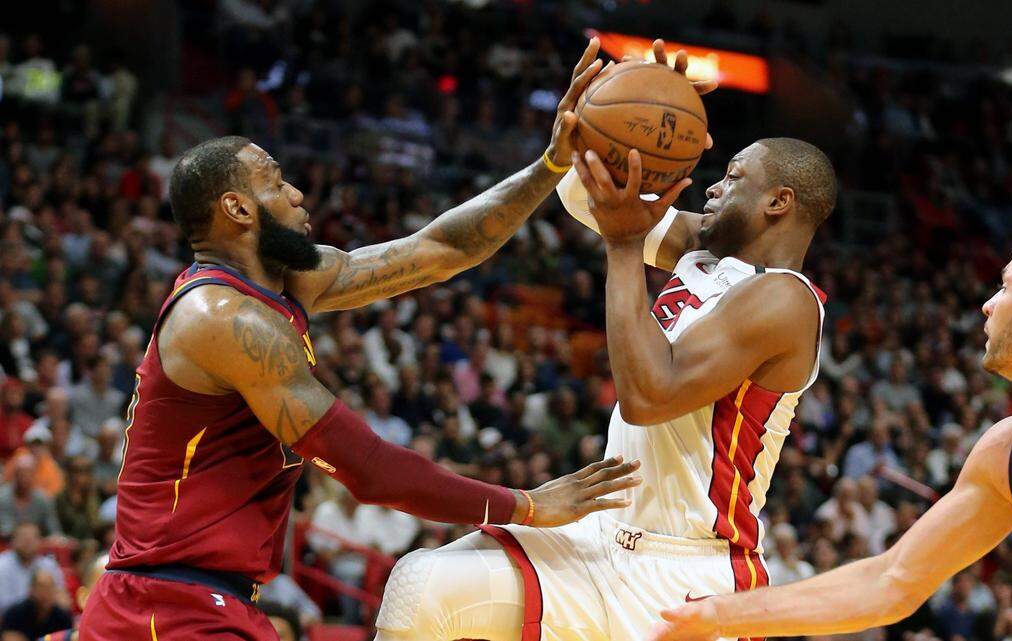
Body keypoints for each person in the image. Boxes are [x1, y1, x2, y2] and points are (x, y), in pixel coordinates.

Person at [79, 38, 641, 641]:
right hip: (163, 607)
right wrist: (527, 506)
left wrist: (550, 164)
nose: (296, 194)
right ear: (238, 210)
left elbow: (440, 250)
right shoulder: (223, 319)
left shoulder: (288, 282)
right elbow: (368, 470)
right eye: (275, 183)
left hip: (202, 601)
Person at [375, 40, 837, 641]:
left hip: (689, 573)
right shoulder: (703, 252)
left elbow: (650, 395)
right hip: (597, 539)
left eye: (733, 176)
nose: (713, 186)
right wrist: (594, 129)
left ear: (780, 203)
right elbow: (583, 199)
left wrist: (624, 247)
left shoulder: (785, 300)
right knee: (425, 587)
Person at [650, 228, 1012, 641]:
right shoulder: (1010, 450)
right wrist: (717, 614)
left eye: (1005, 288)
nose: (988, 306)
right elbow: (891, 581)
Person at [0, 567, 72, 641]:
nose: (45, 593)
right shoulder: (14, 614)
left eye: (49, 588)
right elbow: (8, 637)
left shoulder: (63, 617)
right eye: (41, 587)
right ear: (31, 589)